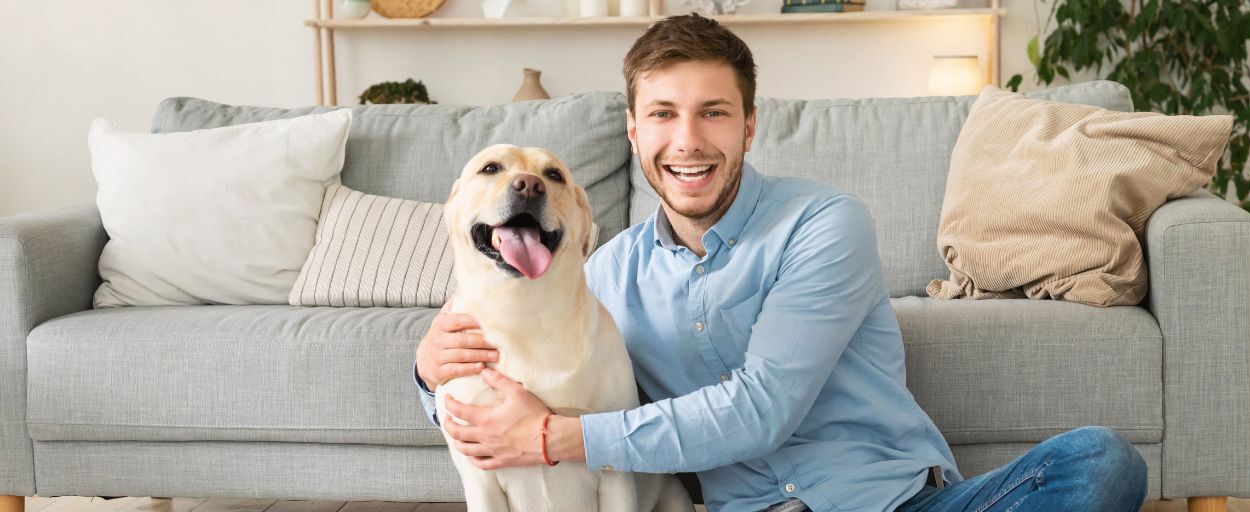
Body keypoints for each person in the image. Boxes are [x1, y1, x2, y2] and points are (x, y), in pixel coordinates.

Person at [413, 13, 1148, 512]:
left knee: (1101, 462)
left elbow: (761, 408)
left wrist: (552, 437)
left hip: (891, 504)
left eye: (714, 112)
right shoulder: (603, 275)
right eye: (664, 114)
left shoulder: (824, 225)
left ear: (750, 125)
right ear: (635, 133)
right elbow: (510, 388)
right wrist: (429, 370)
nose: (688, 141)